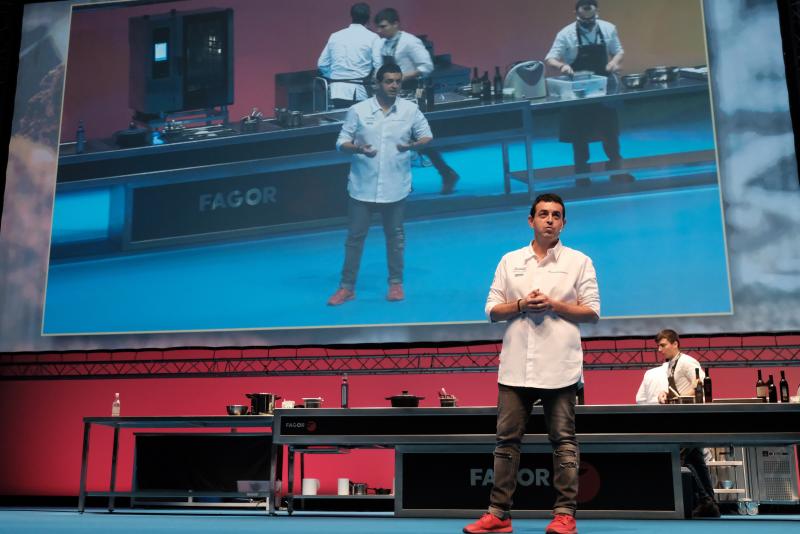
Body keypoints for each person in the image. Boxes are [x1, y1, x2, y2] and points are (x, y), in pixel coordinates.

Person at [464, 193, 600, 534]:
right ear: (531, 220)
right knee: (506, 442)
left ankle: (565, 514)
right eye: (543, 214)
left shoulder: (579, 261)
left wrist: (554, 304)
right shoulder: (510, 260)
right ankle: (499, 514)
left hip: (561, 364)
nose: (550, 220)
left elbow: (593, 312)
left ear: (564, 223)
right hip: (515, 366)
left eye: (556, 215)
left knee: (564, 441)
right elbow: (492, 310)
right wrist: (522, 304)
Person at [327, 63, 432, 306]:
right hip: (362, 186)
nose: (394, 85)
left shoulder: (410, 110)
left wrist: (413, 146)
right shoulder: (358, 111)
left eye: (398, 81)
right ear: (378, 84)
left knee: (395, 237)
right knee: (355, 238)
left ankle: (396, 284)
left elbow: (427, 135)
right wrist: (358, 149)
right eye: (389, 81)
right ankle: (347, 287)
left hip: (396, 187)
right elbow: (341, 142)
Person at [372, 7, 459, 194]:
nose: (379, 31)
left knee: (408, 139)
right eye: (378, 28)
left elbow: (426, 66)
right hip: (389, 96)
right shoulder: (381, 45)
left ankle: (440, 174)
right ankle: (444, 173)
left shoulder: (410, 42)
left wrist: (400, 78)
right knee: (396, 139)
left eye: (383, 27)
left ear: (396, 24)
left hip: (411, 95)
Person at [545, 0, 624, 174]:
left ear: (597, 13)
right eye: (584, 20)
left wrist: (613, 63)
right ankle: (582, 175)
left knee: (609, 131)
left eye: (592, 19)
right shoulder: (566, 34)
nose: (588, 24)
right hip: (578, 90)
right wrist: (562, 66)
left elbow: (618, 51)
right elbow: (550, 58)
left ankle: (617, 171)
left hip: (603, 88)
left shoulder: (608, 28)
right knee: (579, 135)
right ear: (576, 14)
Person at [651, 329, 721, 518]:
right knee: (695, 461)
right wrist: (665, 394)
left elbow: (701, 385)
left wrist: (682, 397)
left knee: (680, 458)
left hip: (690, 419)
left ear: (675, 344)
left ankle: (699, 502)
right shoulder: (671, 365)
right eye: (658, 345)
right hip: (682, 419)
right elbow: (677, 388)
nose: (659, 349)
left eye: (663, 345)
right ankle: (709, 503)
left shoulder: (688, 362)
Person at [317, 3, 379, 109]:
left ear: (351, 16)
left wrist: (336, 76)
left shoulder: (335, 36)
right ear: (369, 17)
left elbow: (322, 64)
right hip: (359, 90)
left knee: (342, 122)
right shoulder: (373, 38)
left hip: (336, 90)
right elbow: (379, 66)